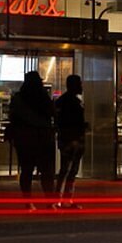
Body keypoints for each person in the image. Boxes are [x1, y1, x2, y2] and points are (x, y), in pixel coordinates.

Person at [6, 70, 55, 208]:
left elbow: (12, 117)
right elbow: (52, 113)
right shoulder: (43, 97)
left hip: (24, 138)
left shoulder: (18, 98)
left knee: (26, 171)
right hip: (43, 138)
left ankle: (28, 201)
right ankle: (49, 202)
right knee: (46, 171)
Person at [54, 74, 88, 208]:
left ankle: (60, 198)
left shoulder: (62, 101)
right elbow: (71, 122)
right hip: (72, 140)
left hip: (67, 139)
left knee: (66, 170)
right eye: (80, 84)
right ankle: (63, 198)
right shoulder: (73, 102)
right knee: (69, 170)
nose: (82, 87)